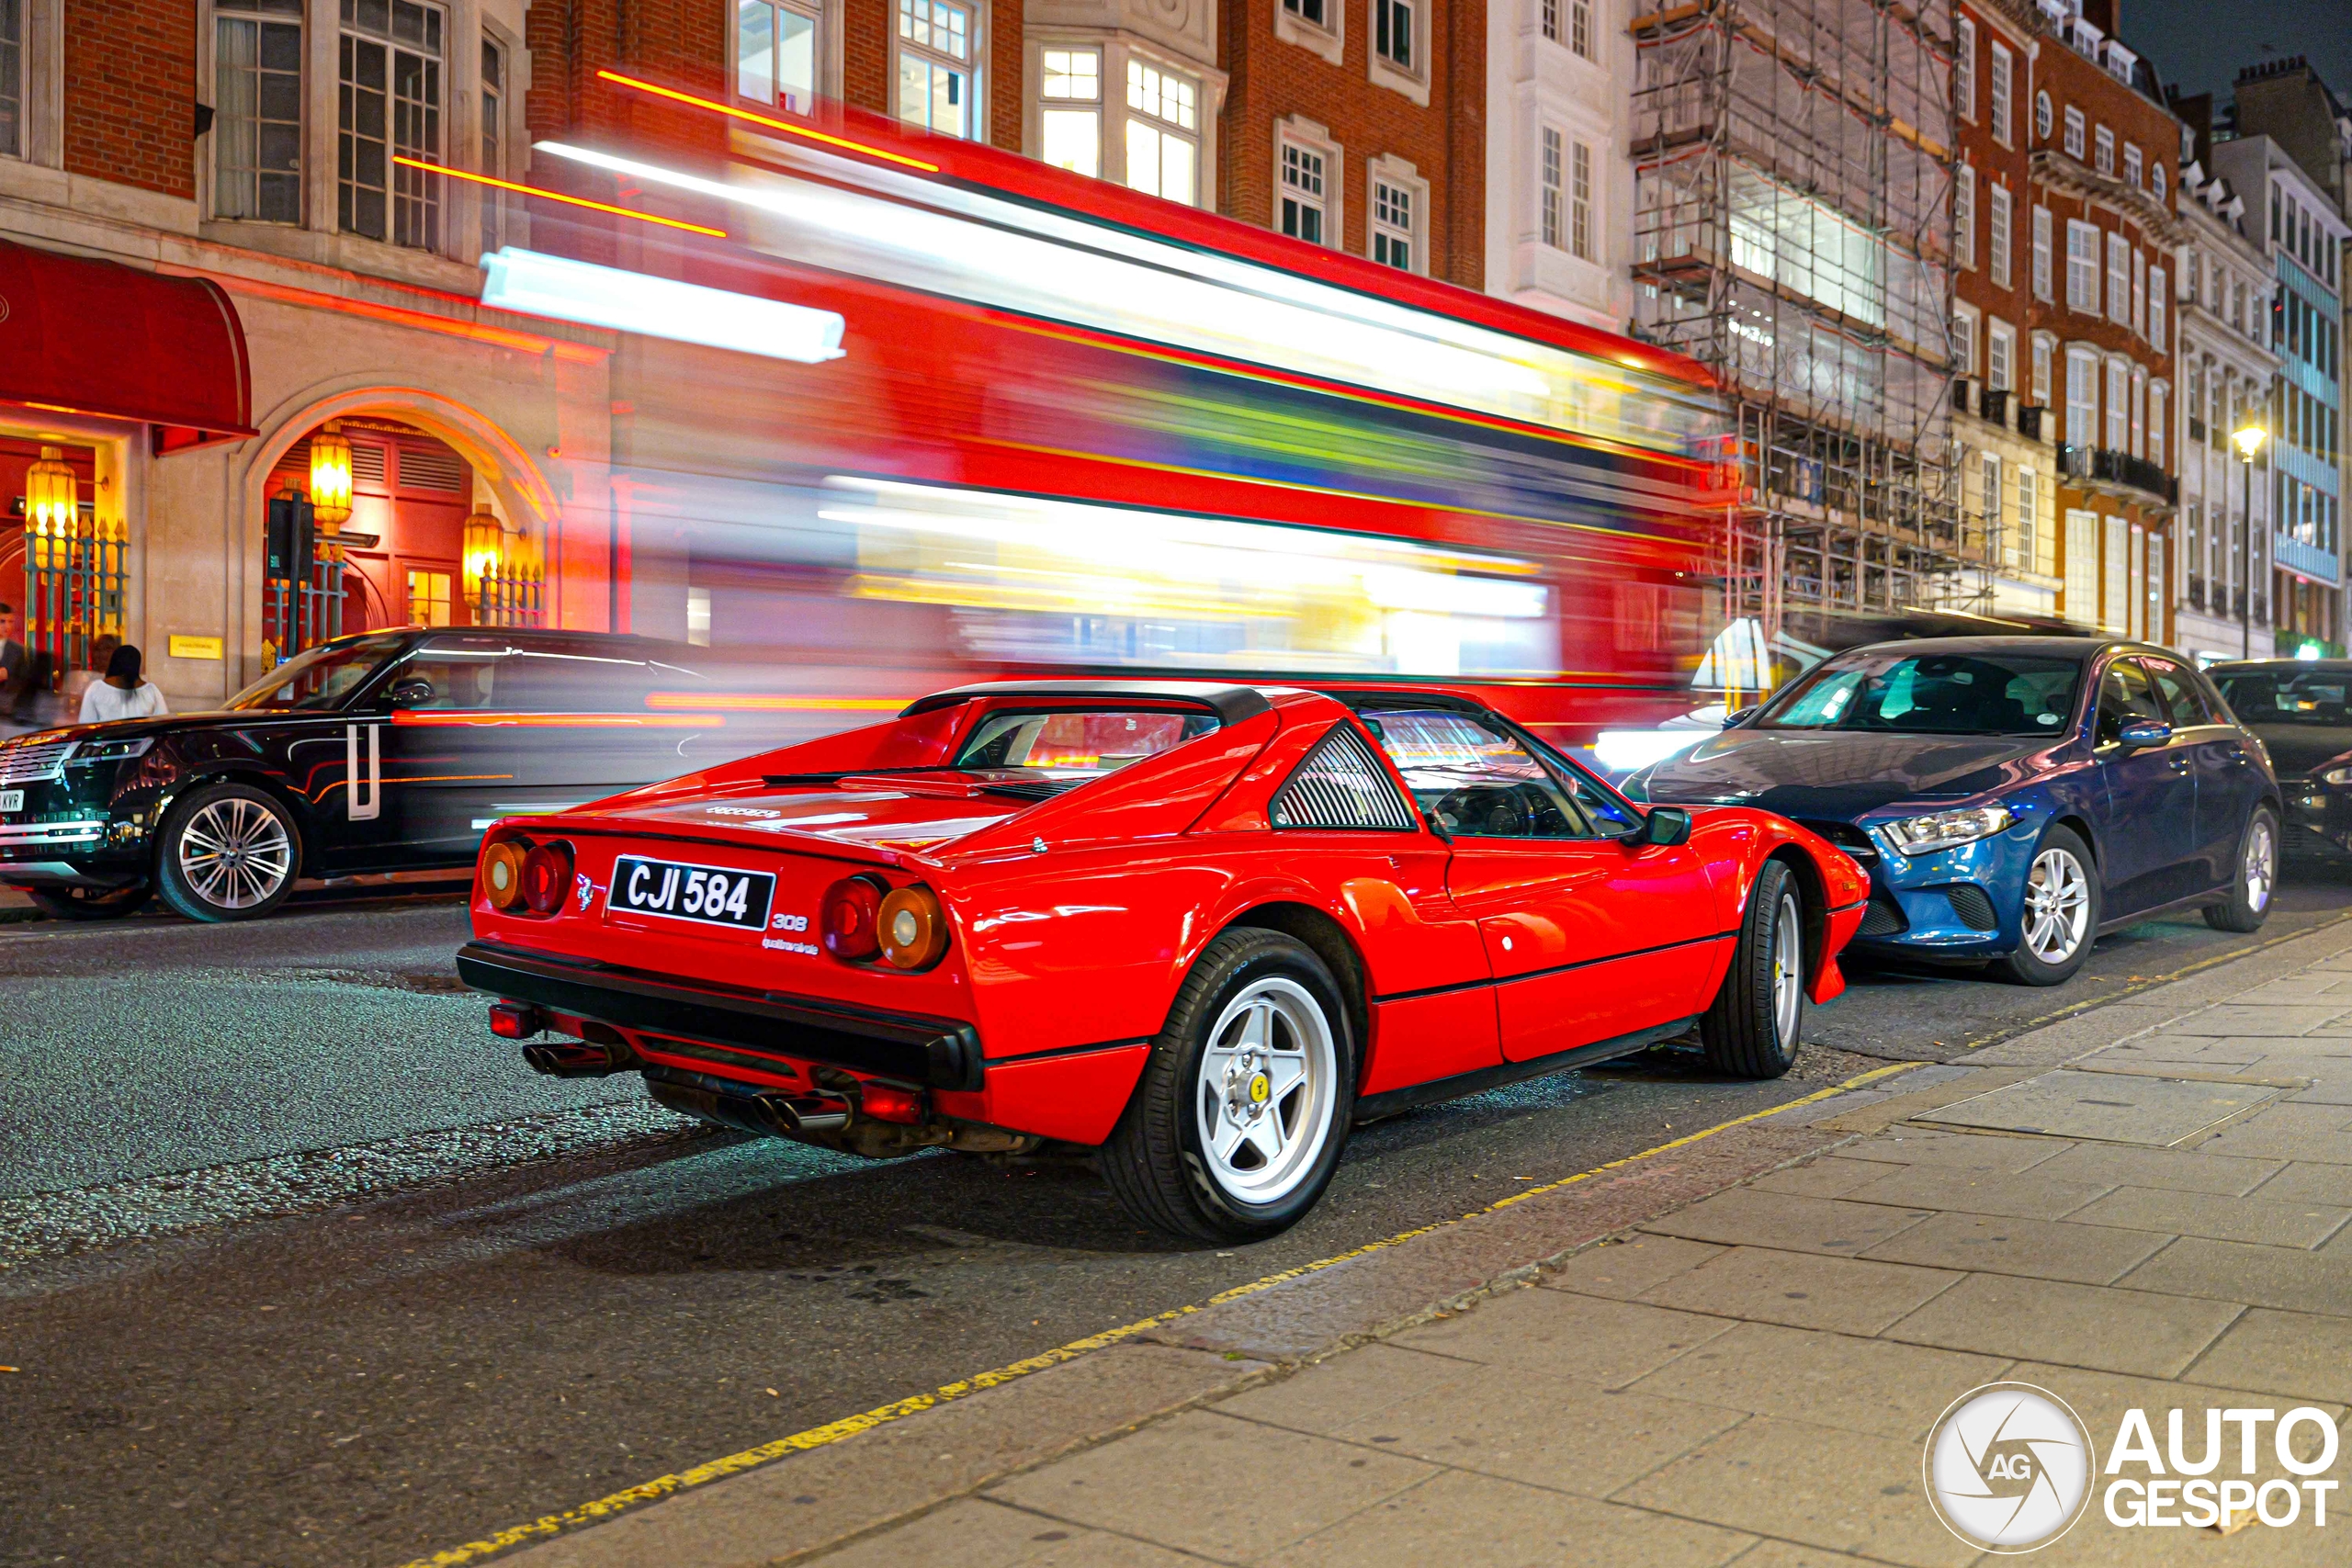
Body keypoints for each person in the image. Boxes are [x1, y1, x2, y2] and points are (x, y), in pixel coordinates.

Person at [79, 644, 169, 724]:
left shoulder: (96, 688)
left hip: (107, 741)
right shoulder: (151, 690)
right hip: (143, 742)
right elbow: (162, 722)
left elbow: (86, 723)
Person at [61, 634, 119, 716]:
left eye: (107, 649)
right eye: (97, 649)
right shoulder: (77, 677)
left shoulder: (121, 681)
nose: (102, 654)